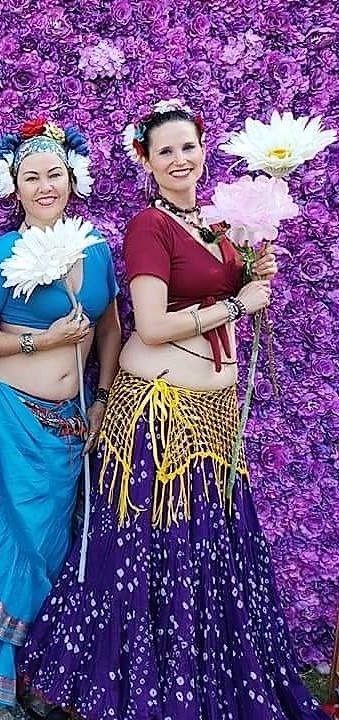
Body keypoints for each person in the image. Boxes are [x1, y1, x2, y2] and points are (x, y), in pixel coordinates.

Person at [18, 99, 328, 720]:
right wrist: (239, 305)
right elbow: (154, 325)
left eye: (189, 146)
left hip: (213, 418)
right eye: (165, 151)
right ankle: (126, 684)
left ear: (204, 149)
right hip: (158, 417)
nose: (180, 159)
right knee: (147, 555)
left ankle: (199, 680)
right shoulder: (148, 228)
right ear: (146, 161)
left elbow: (227, 294)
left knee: (207, 555)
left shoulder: (216, 226)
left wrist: (250, 273)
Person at [0, 118, 121, 720]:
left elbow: (112, 327)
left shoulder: (95, 250)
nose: (45, 186)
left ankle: (36, 676)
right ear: (14, 187)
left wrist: (101, 397)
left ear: (72, 181)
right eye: (31, 177)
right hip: (4, 418)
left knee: (46, 550)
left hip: (66, 424)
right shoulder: (2, 255)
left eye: (54, 175)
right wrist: (41, 342)